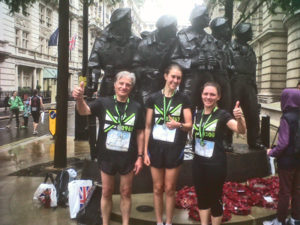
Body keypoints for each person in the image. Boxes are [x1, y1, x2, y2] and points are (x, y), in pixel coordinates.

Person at [72, 71, 145, 225]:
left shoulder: (136, 107)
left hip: (128, 157)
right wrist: (79, 99)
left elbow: (140, 133)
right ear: (115, 85)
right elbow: (84, 110)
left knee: (126, 192)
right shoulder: (103, 103)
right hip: (106, 156)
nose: (124, 87)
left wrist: (140, 156)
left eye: (128, 85)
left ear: (131, 88)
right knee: (106, 192)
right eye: (121, 83)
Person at [144, 64, 193, 225]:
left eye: (178, 78)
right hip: (155, 148)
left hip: (174, 148)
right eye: (173, 76)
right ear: (166, 76)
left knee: (170, 188)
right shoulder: (153, 98)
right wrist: (144, 152)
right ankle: (159, 221)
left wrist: (178, 124)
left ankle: (169, 222)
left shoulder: (184, 98)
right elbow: (148, 126)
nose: (175, 80)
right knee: (158, 188)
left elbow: (189, 125)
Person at [192, 82, 246, 225]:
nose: (208, 97)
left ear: (218, 97)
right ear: (201, 95)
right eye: (206, 94)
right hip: (198, 164)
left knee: (215, 199)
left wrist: (240, 118)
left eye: (212, 94)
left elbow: (240, 130)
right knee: (202, 198)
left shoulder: (222, 115)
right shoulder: (197, 115)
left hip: (215, 165)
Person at [264, 89, 300, 225]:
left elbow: (283, 143)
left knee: (284, 191)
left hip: (287, 161)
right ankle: (296, 218)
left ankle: (280, 221)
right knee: (297, 190)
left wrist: (271, 152)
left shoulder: (286, 117)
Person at [229, 23, 264, 150]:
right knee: (231, 113)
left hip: (249, 84)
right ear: (242, 32)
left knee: (253, 113)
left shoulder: (251, 49)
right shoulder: (229, 48)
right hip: (235, 83)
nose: (252, 34)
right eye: (249, 31)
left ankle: (254, 140)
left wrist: (254, 86)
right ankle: (226, 140)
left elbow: (253, 70)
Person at [133, 15, 178, 105]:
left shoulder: (176, 42)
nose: (176, 30)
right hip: (148, 88)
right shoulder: (145, 45)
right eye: (173, 28)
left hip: (169, 87)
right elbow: (135, 67)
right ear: (164, 30)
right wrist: (149, 72)